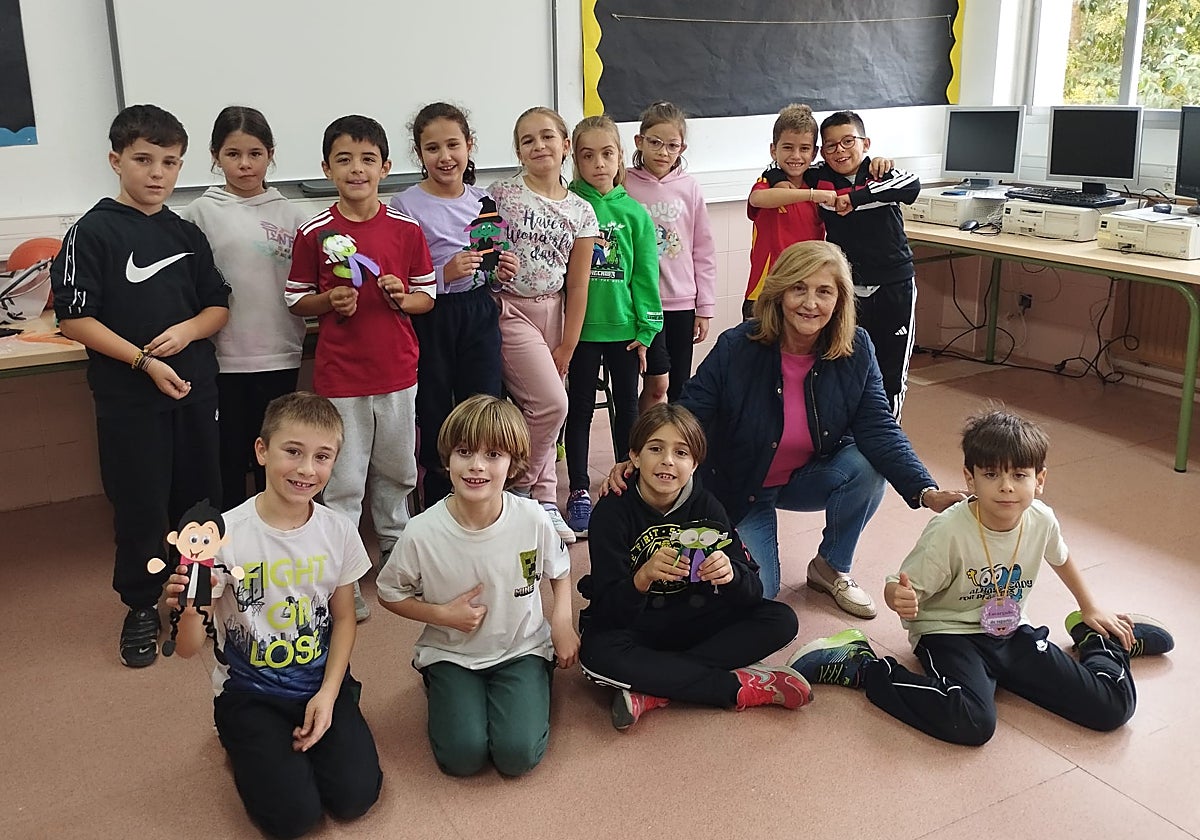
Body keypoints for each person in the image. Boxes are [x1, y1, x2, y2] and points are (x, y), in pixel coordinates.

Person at [606, 240, 963, 614]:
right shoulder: (738, 346)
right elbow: (689, 413)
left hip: (806, 475)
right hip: (741, 484)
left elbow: (880, 427)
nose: (810, 303)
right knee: (758, 592)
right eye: (799, 288)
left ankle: (831, 566)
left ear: (840, 299)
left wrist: (927, 491)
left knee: (867, 465)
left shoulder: (857, 348)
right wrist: (641, 458)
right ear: (779, 292)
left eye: (824, 291)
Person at [789, 410, 1175, 746]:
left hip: (1009, 631)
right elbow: (900, 584)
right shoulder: (949, 530)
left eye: (1019, 475)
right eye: (991, 474)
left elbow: (1061, 556)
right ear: (970, 478)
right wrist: (898, 597)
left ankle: (1099, 640)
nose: (1006, 486)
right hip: (949, 634)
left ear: (1039, 480)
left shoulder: (1040, 518)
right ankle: (861, 665)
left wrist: (1089, 608)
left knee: (1113, 708)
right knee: (971, 722)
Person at [49, 104, 230, 668]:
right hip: (131, 400)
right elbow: (74, 319)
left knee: (199, 500)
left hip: (195, 391)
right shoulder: (91, 232)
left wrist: (188, 330)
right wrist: (144, 361)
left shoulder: (185, 231)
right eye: (144, 160)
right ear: (115, 160)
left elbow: (217, 305)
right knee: (140, 504)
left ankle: (197, 600)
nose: (158, 173)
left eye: (170, 162)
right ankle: (142, 603)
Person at [163, 391, 382, 837]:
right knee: (293, 820)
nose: (306, 469)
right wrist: (187, 609)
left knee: (356, 796)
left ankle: (317, 730)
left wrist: (328, 693)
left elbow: (343, 619)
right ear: (262, 451)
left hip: (319, 682)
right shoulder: (221, 537)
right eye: (293, 452)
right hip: (250, 695)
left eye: (322, 457)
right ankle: (240, 738)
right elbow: (187, 649)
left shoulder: (337, 530)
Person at [376, 395, 579, 777]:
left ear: (513, 464)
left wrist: (562, 623)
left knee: (517, 756)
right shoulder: (422, 532)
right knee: (462, 758)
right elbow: (390, 592)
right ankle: (440, 684)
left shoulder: (532, 518)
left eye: (493, 455)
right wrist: (440, 614)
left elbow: (560, 569)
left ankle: (531, 682)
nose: (476, 466)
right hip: (451, 653)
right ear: (448, 458)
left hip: (522, 648)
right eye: (464, 452)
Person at [286, 114, 435, 621]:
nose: (356, 169)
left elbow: (427, 296)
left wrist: (403, 297)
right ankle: (345, 572)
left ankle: (395, 552)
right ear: (327, 168)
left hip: (397, 372)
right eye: (344, 160)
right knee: (344, 480)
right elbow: (296, 300)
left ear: (385, 167)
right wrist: (329, 299)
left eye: (368, 159)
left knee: (398, 470)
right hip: (342, 378)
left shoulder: (406, 229)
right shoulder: (315, 233)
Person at [579, 404, 809, 731]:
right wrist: (641, 578)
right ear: (634, 456)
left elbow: (752, 592)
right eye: (655, 449)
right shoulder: (612, 513)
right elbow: (607, 611)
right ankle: (734, 689)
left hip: (694, 620)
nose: (668, 461)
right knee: (596, 653)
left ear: (695, 463)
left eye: (681, 452)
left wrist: (731, 575)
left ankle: (655, 688)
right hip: (639, 627)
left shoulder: (708, 507)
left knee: (781, 619)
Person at [180, 106, 310, 507]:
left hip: (281, 352)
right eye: (233, 154)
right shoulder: (198, 215)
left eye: (255, 153)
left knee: (276, 452)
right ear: (216, 156)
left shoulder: (292, 214)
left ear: (270, 154)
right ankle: (230, 539)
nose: (245, 164)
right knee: (229, 454)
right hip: (224, 358)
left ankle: (275, 528)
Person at [390, 102, 518, 508]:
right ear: (419, 154)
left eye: (453, 145)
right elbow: (402, 277)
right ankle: (438, 499)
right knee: (432, 405)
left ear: (469, 146)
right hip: (432, 315)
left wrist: (501, 270)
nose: (444, 157)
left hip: (479, 311)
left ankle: (483, 490)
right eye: (432, 148)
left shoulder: (483, 199)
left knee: (481, 399)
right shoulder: (405, 205)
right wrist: (443, 274)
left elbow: (492, 258)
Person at [487, 106, 599, 546]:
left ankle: (546, 499)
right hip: (510, 311)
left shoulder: (581, 210)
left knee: (547, 409)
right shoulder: (500, 196)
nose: (539, 146)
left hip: (554, 311)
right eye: (528, 140)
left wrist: (568, 345)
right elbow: (484, 252)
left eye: (547, 137)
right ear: (518, 150)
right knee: (552, 404)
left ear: (565, 145)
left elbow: (578, 284)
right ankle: (518, 489)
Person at [564, 115, 662, 536]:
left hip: (624, 333)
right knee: (579, 411)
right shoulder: (568, 206)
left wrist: (646, 331)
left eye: (607, 154)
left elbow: (644, 275)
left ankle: (627, 484)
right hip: (581, 333)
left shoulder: (634, 213)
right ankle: (580, 492)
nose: (598, 164)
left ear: (621, 156)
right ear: (575, 160)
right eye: (588, 156)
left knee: (627, 409)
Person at [806, 110, 921, 418]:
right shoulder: (818, 177)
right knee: (841, 362)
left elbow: (912, 185)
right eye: (830, 145)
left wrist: (855, 198)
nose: (840, 150)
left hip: (893, 285)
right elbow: (777, 173)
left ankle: (888, 436)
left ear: (865, 143)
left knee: (890, 371)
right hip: (847, 286)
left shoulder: (881, 171)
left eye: (848, 141)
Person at [622, 101, 716, 409]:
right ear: (640, 141)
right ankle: (641, 443)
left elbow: (702, 250)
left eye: (672, 145)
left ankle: (672, 448)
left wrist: (704, 307)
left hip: (681, 302)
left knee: (677, 388)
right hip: (639, 303)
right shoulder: (624, 183)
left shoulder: (689, 188)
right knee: (653, 384)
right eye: (655, 143)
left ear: (682, 148)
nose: (663, 152)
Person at [742, 104, 835, 321]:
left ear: (814, 153)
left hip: (806, 293)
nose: (796, 155)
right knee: (760, 353)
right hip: (765, 291)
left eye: (804, 149)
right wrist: (811, 195)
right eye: (787, 147)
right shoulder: (768, 184)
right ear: (774, 150)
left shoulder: (822, 185)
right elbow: (758, 199)